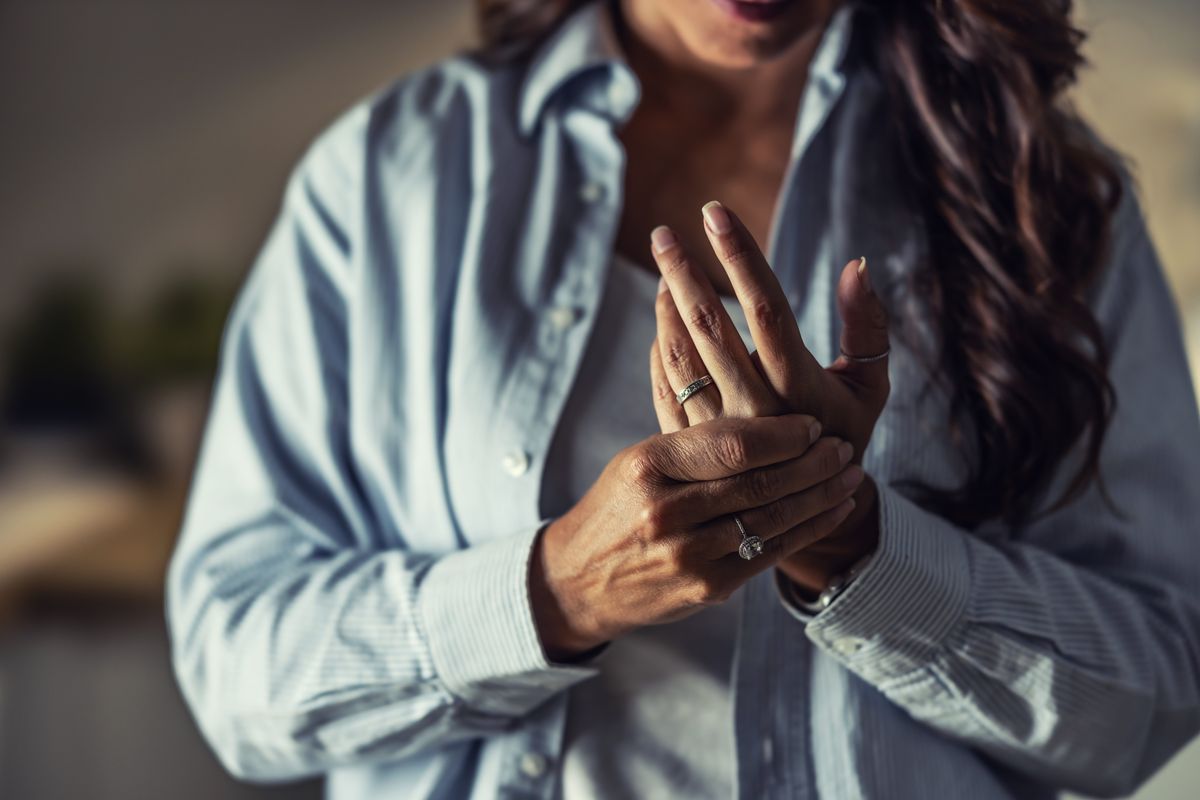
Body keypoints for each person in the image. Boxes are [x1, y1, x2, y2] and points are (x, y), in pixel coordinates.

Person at [166, 0, 1200, 797]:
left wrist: (856, 548)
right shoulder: (390, 178)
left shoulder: (1041, 199)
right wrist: (559, 591)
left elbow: (1158, 682)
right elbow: (236, 664)